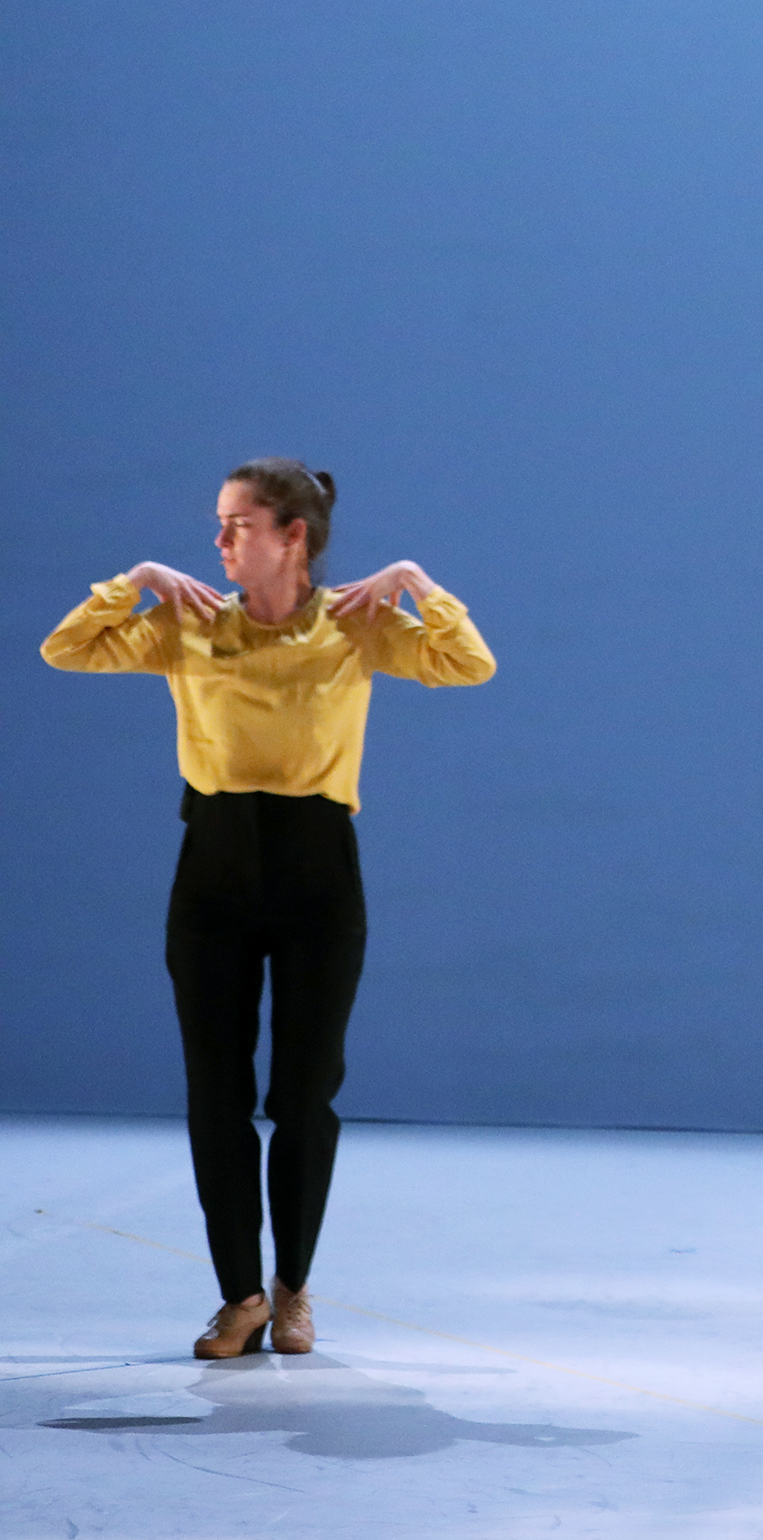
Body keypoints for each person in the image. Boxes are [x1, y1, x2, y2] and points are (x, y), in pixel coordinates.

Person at [39, 460, 496, 1359]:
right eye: (218, 522)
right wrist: (136, 579)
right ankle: (239, 1297)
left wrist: (413, 580)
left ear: (294, 535)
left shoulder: (356, 623)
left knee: (305, 1092)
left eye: (237, 524)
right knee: (215, 1090)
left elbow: (468, 662)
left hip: (317, 868)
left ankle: (292, 1289)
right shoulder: (187, 621)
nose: (217, 540)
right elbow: (67, 647)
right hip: (212, 864)